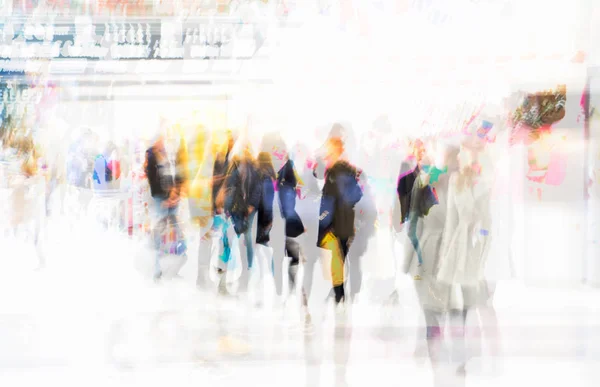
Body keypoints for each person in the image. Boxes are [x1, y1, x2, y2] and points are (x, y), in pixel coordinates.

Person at [436, 136, 493, 376]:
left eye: (462, 152)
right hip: (457, 247)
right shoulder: (455, 181)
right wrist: (445, 254)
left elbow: (487, 222)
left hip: (473, 248)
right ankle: (458, 354)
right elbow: (451, 220)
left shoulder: (482, 182)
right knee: (453, 305)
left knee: (469, 303)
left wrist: (480, 244)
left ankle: (468, 353)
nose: (458, 157)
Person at [317, 137, 363, 306]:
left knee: (336, 259)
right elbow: (357, 195)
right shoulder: (350, 171)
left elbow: (328, 200)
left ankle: (339, 294)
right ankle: (340, 291)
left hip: (334, 222)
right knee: (342, 257)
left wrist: (322, 222)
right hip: (347, 221)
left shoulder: (334, 173)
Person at [144, 123, 188, 281]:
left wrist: (175, 193)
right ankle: (157, 269)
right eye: (161, 138)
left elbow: (176, 173)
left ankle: (177, 263)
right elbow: (153, 181)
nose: (164, 140)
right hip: (161, 199)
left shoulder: (168, 153)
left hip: (172, 198)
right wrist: (165, 198)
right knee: (159, 232)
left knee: (178, 233)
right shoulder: (151, 155)